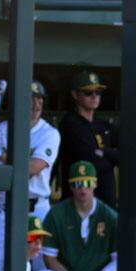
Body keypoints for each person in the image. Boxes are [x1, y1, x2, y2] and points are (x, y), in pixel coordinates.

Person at [0, 80, 60, 263]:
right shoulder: (0, 131)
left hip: (36, 209)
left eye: (40, 100)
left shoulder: (49, 133)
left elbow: (32, 168)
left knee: (39, 266)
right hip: (4, 206)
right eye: (31, 100)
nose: (36, 106)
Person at [57, 70, 119, 208]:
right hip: (78, 202)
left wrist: (104, 153)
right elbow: (90, 161)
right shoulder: (70, 124)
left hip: (106, 201)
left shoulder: (103, 125)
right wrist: (111, 159)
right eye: (88, 92)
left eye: (98, 92)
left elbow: (125, 154)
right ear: (75, 94)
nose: (94, 96)